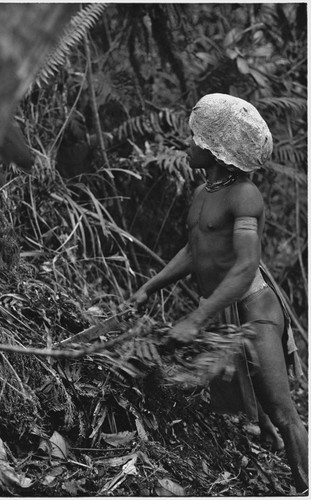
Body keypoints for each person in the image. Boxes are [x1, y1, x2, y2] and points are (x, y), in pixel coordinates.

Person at [132, 94, 308, 493]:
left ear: (217, 152)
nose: (188, 144)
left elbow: (246, 265)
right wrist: (149, 286)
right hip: (224, 310)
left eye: (196, 140)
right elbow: (194, 251)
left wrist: (198, 317)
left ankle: (304, 483)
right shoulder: (203, 193)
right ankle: (268, 438)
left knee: (282, 408)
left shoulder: (244, 195)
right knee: (254, 401)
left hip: (254, 307)